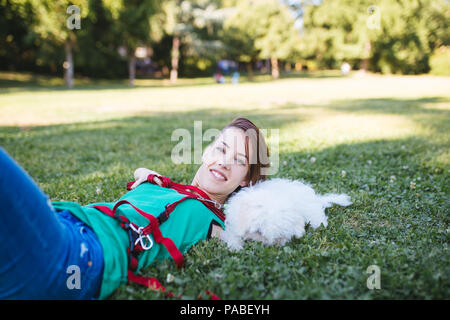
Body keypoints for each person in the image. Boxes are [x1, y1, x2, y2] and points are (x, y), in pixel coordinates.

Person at [0, 117, 270, 299]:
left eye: (239, 161)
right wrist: (150, 176)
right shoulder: (165, 187)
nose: (224, 162)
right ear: (205, 152)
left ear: (245, 179)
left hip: (79, 256)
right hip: (66, 222)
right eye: (221, 150)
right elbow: (145, 175)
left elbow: (255, 234)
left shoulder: (213, 221)